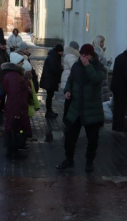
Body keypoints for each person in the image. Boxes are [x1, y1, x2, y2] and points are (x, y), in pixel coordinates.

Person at [56, 44, 107, 173]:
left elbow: (96, 79)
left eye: (87, 55)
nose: (84, 58)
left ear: (92, 55)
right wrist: (67, 90)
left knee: (93, 139)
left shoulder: (98, 67)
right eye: (82, 55)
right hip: (76, 108)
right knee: (70, 136)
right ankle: (69, 160)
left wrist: (88, 66)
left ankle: (89, 161)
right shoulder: (76, 66)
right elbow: (70, 80)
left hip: (92, 110)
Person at [1, 52, 31, 159]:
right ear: (17, 63)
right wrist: (17, 112)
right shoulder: (14, 76)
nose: (23, 64)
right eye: (21, 62)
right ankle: (13, 151)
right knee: (14, 128)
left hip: (14, 106)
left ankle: (12, 150)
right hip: (16, 107)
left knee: (14, 127)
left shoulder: (12, 74)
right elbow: (15, 95)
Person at [110, 44, 127, 132]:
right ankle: (120, 126)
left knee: (116, 107)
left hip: (116, 87)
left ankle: (115, 125)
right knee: (122, 108)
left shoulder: (119, 57)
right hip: (123, 89)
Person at [39, 44, 64, 119]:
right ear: (58, 51)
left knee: (50, 96)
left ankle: (49, 111)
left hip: (50, 80)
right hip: (49, 80)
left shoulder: (54, 56)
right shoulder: (53, 57)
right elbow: (54, 70)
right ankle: (48, 112)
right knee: (49, 96)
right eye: (61, 51)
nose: (62, 53)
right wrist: (61, 69)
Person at [93, 35, 111, 102]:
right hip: (99, 74)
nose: (103, 44)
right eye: (101, 42)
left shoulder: (101, 51)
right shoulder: (96, 52)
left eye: (103, 42)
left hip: (103, 73)